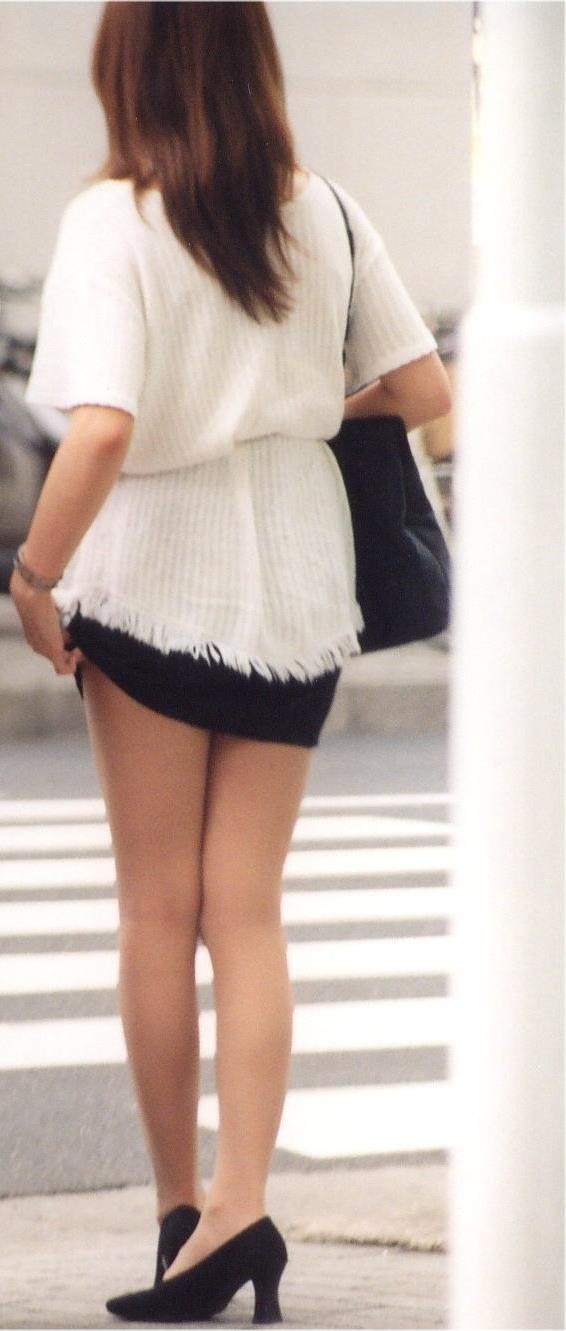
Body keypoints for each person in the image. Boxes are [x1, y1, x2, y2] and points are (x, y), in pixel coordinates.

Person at [10, 3, 451, 1323]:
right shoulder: (324, 209)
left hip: (153, 580)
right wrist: (293, 406)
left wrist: (32, 578)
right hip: (299, 592)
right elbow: (424, 391)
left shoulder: (114, 219)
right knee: (245, 911)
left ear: (128, 64)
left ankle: (179, 1217)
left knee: (156, 909)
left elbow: (103, 429)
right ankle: (243, 1208)